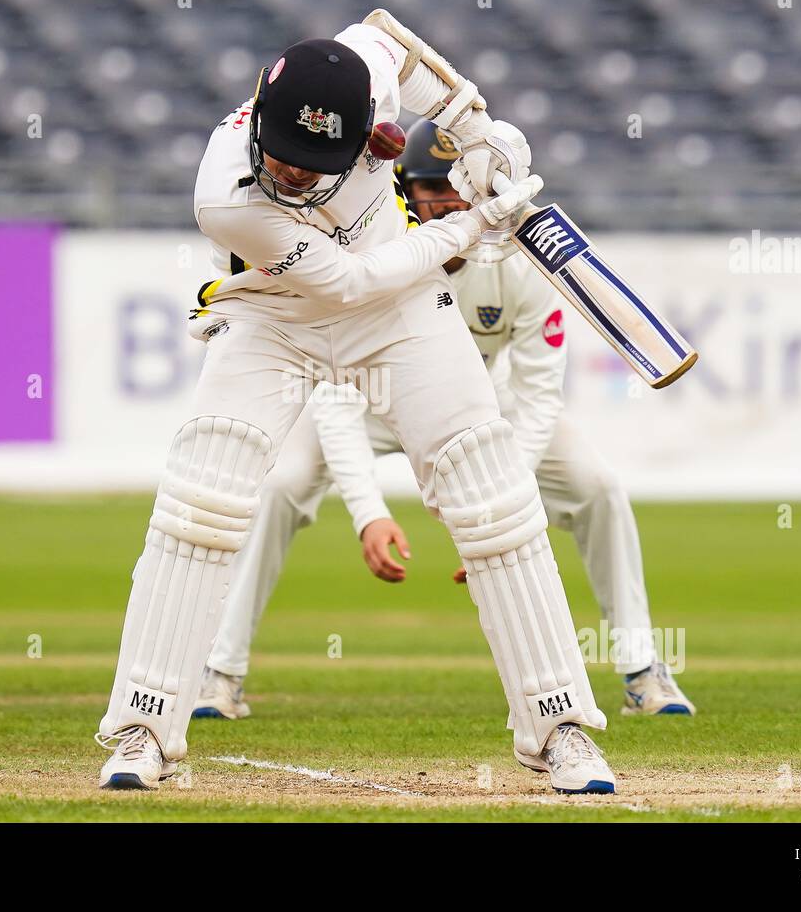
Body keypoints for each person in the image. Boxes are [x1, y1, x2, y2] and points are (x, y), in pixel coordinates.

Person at [96, 9, 616, 794]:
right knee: (202, 498)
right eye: (282, 155)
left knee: (494, 497)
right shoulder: (226, 195)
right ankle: (144, 724)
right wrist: (473, 226)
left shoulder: (369, 63)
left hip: (400, 314)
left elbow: (433, 84)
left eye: (312, 165)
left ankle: (560, 728)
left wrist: (488, 144)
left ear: (369, 137)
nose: (292, 175)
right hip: (278, 309)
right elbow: (347, 284)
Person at [196, 120, 695, 728]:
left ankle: (642, 668)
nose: (452, 205)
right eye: (434, 189)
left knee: (599, 489)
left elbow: (538, 397)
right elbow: (336, 404)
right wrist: (369, 514)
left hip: (482, 406)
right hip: (366, 397)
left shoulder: (519, 264)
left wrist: (498, 506)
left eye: (460, 188)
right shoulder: (376, 251)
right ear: (406, 189)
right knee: (278, 487)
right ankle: (221, 673)